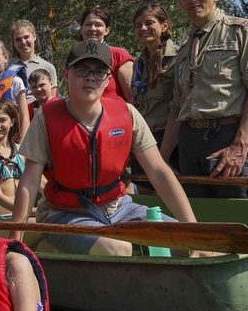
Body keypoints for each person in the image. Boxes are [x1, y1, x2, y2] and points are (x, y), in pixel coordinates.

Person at [11, 40, 202, 256]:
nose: (91, 77)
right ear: (66, 75)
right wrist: (15, 244)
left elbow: (159, 171)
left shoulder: (127, 114)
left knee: (198, 247)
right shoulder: (45, 118)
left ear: (108, 79)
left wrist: (192, 231)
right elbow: (29, 181)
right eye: (82, 70)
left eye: (99, 72)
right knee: (115, 249)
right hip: (65, 214)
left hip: (121, 208)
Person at [159, 0, 248, 198]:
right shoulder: (184, 49)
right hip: (189, 143)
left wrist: (239, 146)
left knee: (243, 219)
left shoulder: (244, 30)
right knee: (201, 224)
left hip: (227, 137)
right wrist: (161, 161)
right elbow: (176, 107)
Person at [132, 3, 178, 169]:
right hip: (142, 139)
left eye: (149, 23)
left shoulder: (178, 59)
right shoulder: (138, 63)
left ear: (164, 25)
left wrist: (163, 156)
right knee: (145, 194)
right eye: (138, 25)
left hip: (169, 142)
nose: (143, 28)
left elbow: (179, 106)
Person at [79, 6, 134, 103]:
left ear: (107, 30)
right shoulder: (76, 56)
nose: (92, 29)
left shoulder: (119, 55)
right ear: (81, 29)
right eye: (88, 24)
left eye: (98, 25)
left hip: (115, 115)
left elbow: (131, 97)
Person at [8, 20, 59, 90]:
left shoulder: (48, 67)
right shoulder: (7, 66)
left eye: (26, 37)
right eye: (18, 40)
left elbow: (52, 99)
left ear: (34, 36)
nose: (23, 42)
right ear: (13, 43)